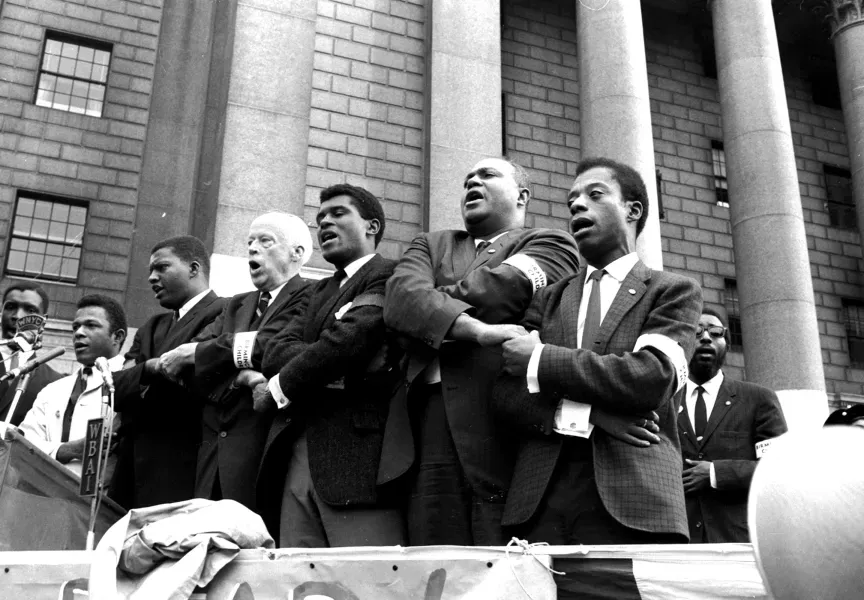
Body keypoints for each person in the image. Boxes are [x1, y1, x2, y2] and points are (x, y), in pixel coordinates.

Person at [496, 157, 702, 545]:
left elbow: (652, 377)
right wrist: (591, 417)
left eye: (594, 194)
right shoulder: (548, 299)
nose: (577, 204)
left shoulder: (673, 292)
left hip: (637, 505)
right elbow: (507, 395)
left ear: (632, 210)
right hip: (541, 504)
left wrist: (541, 359)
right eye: (571, 200)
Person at [383, 157, 580, 546]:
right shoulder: (431, 243)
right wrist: (477, 330)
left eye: (487, 175)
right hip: (429, 422)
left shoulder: (551, 243)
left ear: (522, 196)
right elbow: (397, 303)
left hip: (504, 421)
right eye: (467, 179)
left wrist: (428, 311)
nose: (473, 181)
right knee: (435, 556)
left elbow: (500, 293)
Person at [255, 184, 406, 548]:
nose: (324, 223)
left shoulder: (390, 274)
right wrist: (332, 363)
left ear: (371, 226)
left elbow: (353, 338)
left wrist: (278, 387)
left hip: (356, 460)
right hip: (295, 455)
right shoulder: (316, 291)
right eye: (320, 217)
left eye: (338, 213)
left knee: (364, 573)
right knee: (298, 572)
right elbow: (273, 350)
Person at [156, 212, 312, 510]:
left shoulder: (311, 296)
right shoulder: (237, 303)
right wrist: (245, 377)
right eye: (250, 241)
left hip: (260, 461)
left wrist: (202, 354)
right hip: (211, 459)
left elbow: (270, 346)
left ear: (297, 253)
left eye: (265, 241)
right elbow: (187, 364)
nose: (252, 248)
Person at [109, 236, 225, 509]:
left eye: (161, 267)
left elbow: (191, 379)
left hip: (183, 470)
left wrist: (139, 376)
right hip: (132, 472)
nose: (152, 277)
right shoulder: (152, 326)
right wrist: (152, 367)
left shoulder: (225, 310)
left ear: (194, 268)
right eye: (151, 270)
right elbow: (114, 388)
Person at [680, 308, 788, 543]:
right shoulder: (663, 401)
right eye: (696, 332)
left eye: (716, 333)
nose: (706, 338)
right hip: (677, 541)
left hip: (736, 540)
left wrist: (715, 473)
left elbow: (778, 469)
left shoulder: (758, 400)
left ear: (727, 345)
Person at [20, 294, 127, 479]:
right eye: (75, 327)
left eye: (91, 325)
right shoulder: (52, 391)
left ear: (117, 337)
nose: (79, 333)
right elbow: (24, 444)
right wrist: (68, 450)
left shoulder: (131, 383)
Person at [0, 282, 64, 425]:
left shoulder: (54, 383)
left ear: (43, 320)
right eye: (11, 307)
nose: (17, 316)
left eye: (30, 310)